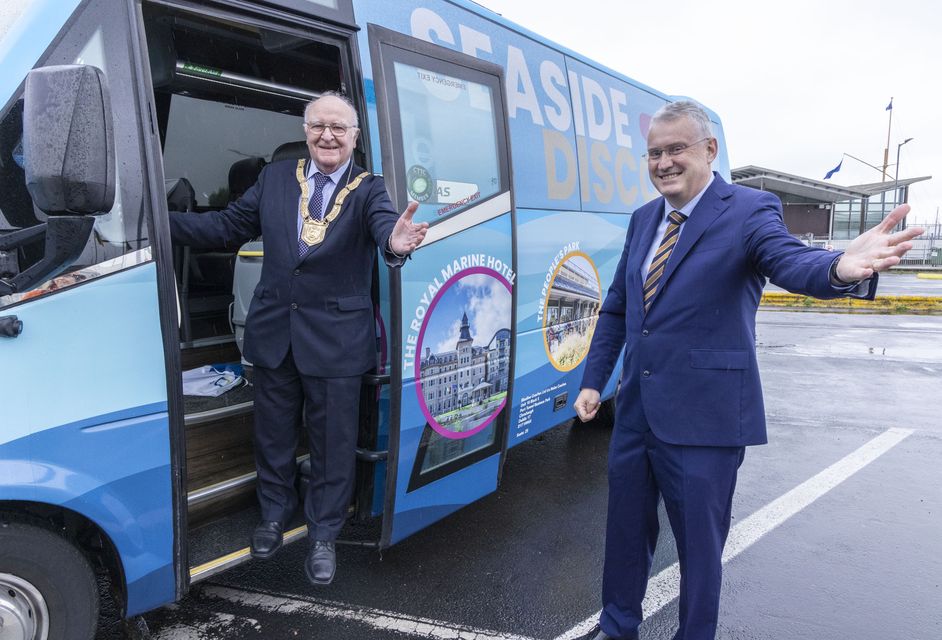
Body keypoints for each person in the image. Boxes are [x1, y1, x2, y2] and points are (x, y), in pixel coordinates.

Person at [573, 100, 922, 640]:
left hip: (705, 418)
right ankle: (616, 628)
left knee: (699, 550)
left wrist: (838, 267)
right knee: (623, 536)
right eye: (654, 153)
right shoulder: (644, 219)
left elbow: (788, 261)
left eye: (676, 150)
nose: (663, 162)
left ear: (709, 151)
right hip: (636, 413)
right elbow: (619, 305)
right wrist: (594, 379)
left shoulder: (750, 209)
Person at [169, 92, 428, 586]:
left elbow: (384, 230)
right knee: (272, 434)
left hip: (336, 342)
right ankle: (272, 514)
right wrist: (160, 224)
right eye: (318, 126)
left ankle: (324, 533)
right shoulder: (274, 180)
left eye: (338, 128)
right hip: (274, 334)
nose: (327, 135)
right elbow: (227, 225)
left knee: (333, 444)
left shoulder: (369, 189)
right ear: (306, 130)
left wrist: (395, 245)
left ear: (354, 137)